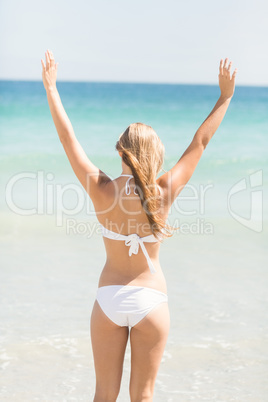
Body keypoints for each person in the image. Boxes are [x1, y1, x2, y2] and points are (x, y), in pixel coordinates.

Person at [41, 50, 237, 401]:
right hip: (151, 301)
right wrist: (225, 97)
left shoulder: (101, 190)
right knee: (143, 396)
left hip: (108, 299)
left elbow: (67, 140)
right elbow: (200, 143)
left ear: (120, 152)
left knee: (103, 395)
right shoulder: (163, 191)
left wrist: (52, 88)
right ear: (156, 156)